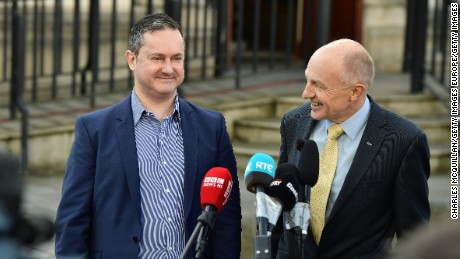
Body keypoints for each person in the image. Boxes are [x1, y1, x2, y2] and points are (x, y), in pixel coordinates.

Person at [55, 13, 241, 259]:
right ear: (132, 60)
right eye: (157, 58)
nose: (168, 68)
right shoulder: (94, 130)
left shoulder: (212, 127)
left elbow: (227, 219)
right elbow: (72, 220)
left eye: (177, 58)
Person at [274, 39, 430, 258]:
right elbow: (281, 205)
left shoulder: (404, 140)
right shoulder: (294, 122)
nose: (306, 93)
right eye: (307, 81)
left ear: (355, 91)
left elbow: (414, 238)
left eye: (318, 85)